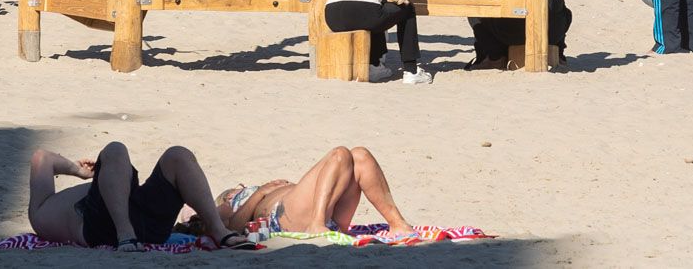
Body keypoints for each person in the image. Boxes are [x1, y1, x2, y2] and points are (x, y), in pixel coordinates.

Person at [27, 144, 251, 251]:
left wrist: (81, 172)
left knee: (176, 154)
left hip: (126, 224)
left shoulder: (41, 213)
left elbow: (42, 158)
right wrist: (81, 172)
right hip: (114, 228)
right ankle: (219, 231)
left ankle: (218, 229)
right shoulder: (41, 213)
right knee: (118, 150)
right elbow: (42, 158)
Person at [215, 146, 413, 239]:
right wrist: (258, 194)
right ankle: (316, 224)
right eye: (237, 188)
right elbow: (232, 227)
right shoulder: (228, 202)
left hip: (318, 209)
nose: (241, 186)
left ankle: (398, 224)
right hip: (281, 218)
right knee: (340, 155)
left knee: (360, 155)